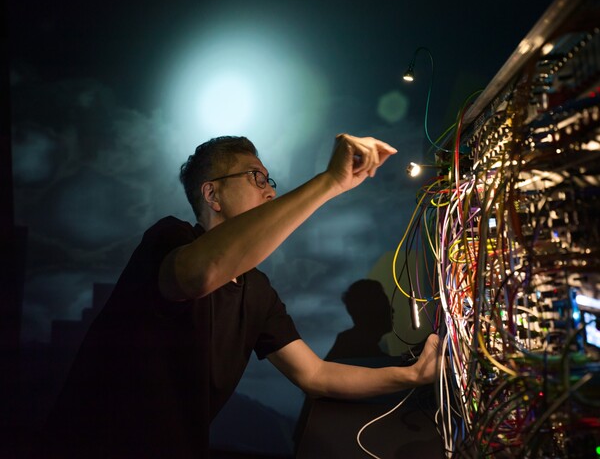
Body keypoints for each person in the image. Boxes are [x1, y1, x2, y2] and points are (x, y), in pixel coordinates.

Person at [44, 134, 440, 459]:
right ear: (212, 195)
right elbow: (202, 274)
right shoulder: (168, 240)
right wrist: (329, 182)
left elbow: (315, 375)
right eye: (256, 177)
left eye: (270, 180)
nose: (270, 191)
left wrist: (411, 376)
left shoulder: (258, 292)